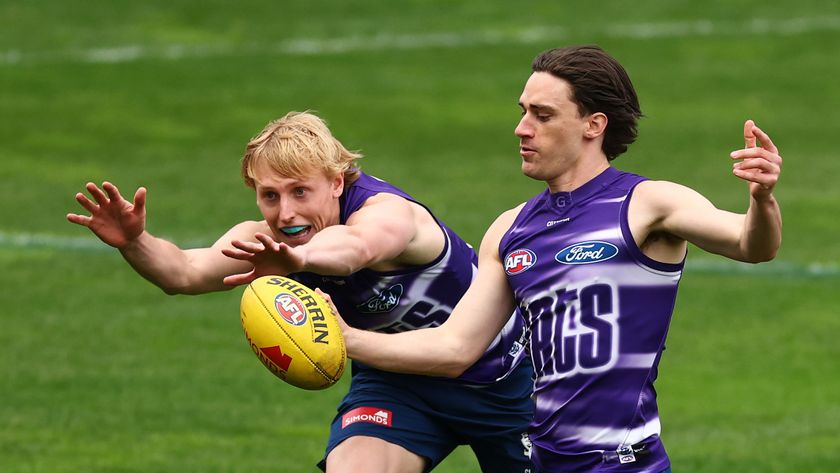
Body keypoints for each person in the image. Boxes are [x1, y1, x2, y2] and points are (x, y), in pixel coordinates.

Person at [332, 45, 783, 472]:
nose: (522, 128)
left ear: (593, 125)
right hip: (542, 460)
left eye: (542, 115)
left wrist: (762, 200)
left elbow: (751, 245)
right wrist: (344, 338)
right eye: (523, 111)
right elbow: (455, 349)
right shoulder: (510, 230)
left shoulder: (648, 204)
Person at [66, 111, 536, 473]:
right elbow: (183, 273)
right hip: (398, 383)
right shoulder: (269, 239)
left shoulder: (389, 214)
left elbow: (355, 247)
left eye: (299, 192)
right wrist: (134, 242)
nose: (285, 212)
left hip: (507, 381)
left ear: (337, 181)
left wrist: (301, 259)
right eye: (270, 195)